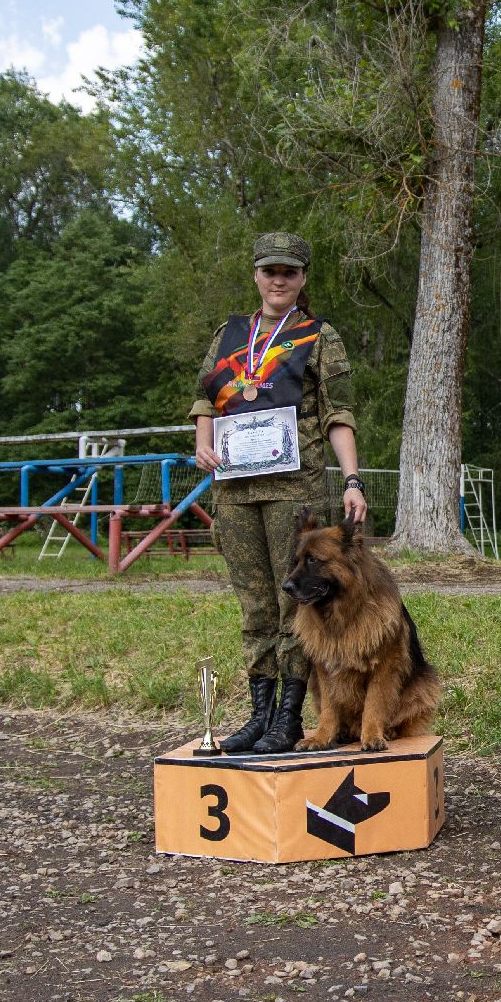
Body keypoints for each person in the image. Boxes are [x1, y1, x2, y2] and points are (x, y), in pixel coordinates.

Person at [191, 232, 368, 754]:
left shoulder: (317, 335)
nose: (278, 280)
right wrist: (203, 446)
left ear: (302, 279)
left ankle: (288, 718)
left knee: (295, 605)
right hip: (235, 489)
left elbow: (339, 414)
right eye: (270, 270)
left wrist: (352, 480)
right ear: (256, 275)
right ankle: (258, 715)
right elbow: (204, 401)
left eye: (289, 272)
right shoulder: (230, 333)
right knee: (255, 608)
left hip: (295, 489)